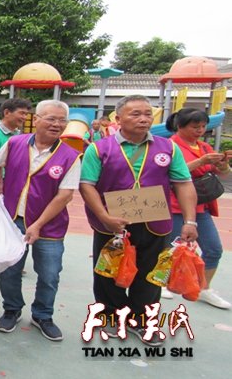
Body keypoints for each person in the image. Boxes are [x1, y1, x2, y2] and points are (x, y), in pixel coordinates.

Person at [79, 95, 198, 347]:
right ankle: (111, 316)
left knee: (150, 274)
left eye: (147, 114)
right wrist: (104, 216)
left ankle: (141, 321)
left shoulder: (168, 148)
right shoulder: (98, 149)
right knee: (107, 272)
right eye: (135, 114)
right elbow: (87, 185)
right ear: (118, 118)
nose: (143, 119)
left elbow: (184, 183)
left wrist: (190, 221)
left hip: (154, 222)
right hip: (112, 222)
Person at [0, 100, 81, 342]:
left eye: (62, 120)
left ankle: (43, 315)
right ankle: (11, 309)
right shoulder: (15, 143)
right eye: (51, 118)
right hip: (13, 221)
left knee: (49, 274)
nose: (57, 124)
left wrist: (38, 224)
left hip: (50, 227)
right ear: (36, 119)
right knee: (10, 270)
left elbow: (65, 195)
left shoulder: (71, 156)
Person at [165, 108, 231, 309]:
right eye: (195, 127)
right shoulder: (169, 146)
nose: (200, 130)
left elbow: (224, 174)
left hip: (201, 206)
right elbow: (170, 173)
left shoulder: (204, 147)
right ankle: (160, 281)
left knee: (214, 249)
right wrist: (201, 161)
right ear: (180, 126)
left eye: (203, 126)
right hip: (175, 205)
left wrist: (223, 164)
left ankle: (204, 287)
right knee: (169, 247)